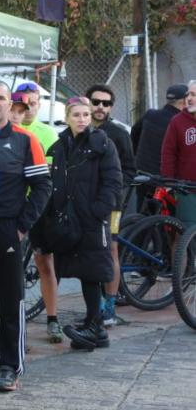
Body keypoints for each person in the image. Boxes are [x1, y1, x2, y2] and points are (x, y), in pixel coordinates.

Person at [0, 81, 52, 393]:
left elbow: (43, 186)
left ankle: (9, 366)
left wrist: (22, 226)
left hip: (8, 228)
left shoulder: (25, 139)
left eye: (1, 98)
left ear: (9, 104)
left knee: (11, 300)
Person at [43, 97, 121, 350]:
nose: (82, 119)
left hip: (92, 219)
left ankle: (96, 325)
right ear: (67, 117)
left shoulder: (102, 144)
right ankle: (92, 325)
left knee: (93, 271)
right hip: (69, 220)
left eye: (85, 115)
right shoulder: (60, 145)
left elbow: (113, 181)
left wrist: (98, 210)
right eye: (76, 115)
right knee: (81, 270)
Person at [15, 81, 63, 343]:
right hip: (12, 207)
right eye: (24, 103)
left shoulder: (47, 133)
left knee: (45, 262)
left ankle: (52, 319)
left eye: (33, 103)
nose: (29, 108)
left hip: (38, 207)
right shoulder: (7, 129)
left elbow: (50, 177)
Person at [86, 84, 136, 326]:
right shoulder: (79, 128)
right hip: (84, 203)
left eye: (105, 103)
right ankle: (94, 306)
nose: (100, 107)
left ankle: (110, 307)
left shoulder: (118, 133)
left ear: (111, 107)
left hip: (111, 204)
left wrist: (110, 193)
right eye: (96, 102)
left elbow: (129, 170)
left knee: (110, 249)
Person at [132, 84, 187, 210]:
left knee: (141, 212)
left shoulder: (150, 115)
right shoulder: (178, 122)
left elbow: (134, 134)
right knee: (170, 213)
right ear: (183, 102)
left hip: (142, 173)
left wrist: (137, 157)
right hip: (165, 180)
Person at [160, 80, 196, 228]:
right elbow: (168, 153)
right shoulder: (177, 121)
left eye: (194, 95)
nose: (189, 98)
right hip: (187, 190)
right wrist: (168, 181)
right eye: (188, 94)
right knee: (188, 231)